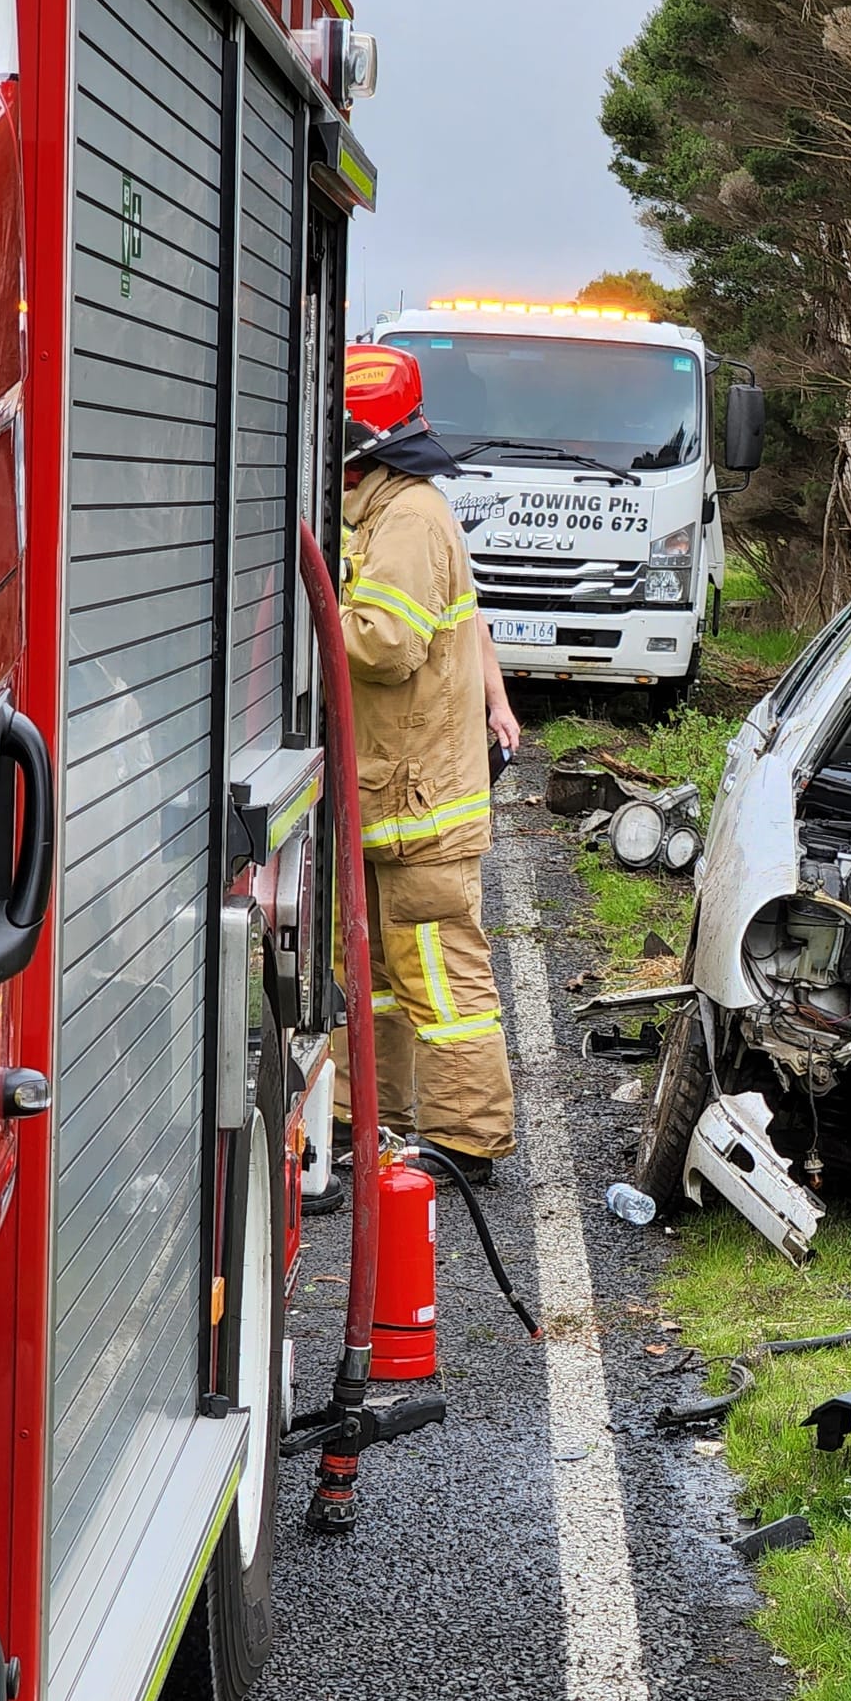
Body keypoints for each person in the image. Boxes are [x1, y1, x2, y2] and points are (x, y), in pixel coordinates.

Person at [333, 343, 515, 1184]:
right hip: (393, 797)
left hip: (421, 807)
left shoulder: (406, 517)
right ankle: (365, 1118)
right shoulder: (387, 509)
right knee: (373, 975)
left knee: (440, 979)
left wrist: (313, 607)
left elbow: (386, 643)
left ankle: (467, 1139)